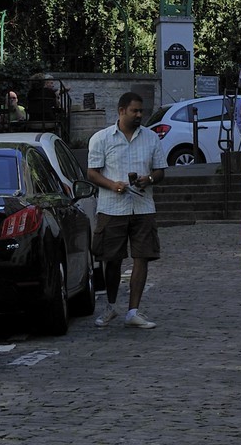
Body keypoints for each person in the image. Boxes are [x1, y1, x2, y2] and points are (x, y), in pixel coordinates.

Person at [87, 92, 165, 330]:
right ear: (121, 111)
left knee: (142, 257)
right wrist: (113, 185)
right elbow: (92, 172)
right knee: (112, 260)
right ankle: (111, 306)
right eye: (135, 111)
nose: (140, 115)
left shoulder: (151, 138)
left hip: (142, 206)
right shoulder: (101, 139)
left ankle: (133, 310)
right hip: (112, 207)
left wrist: (148, 179)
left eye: (141, 111)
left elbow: (160, 171)